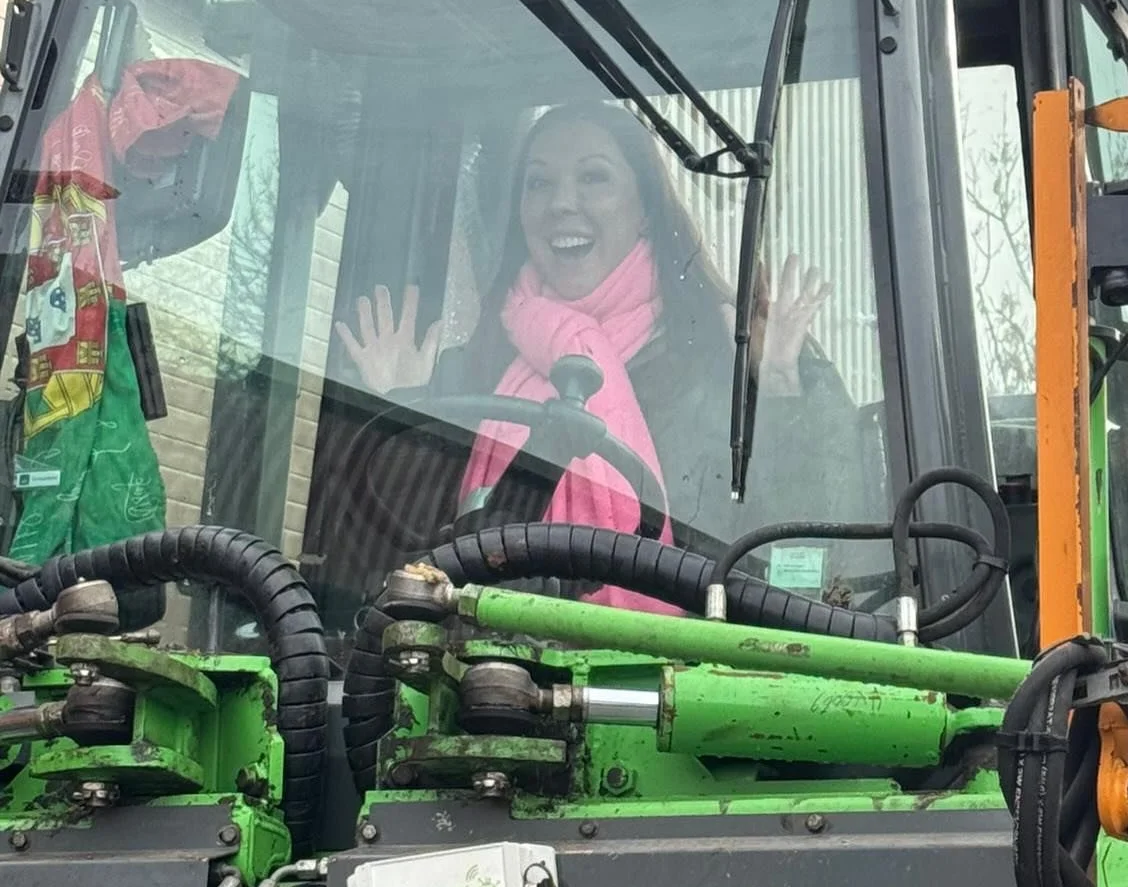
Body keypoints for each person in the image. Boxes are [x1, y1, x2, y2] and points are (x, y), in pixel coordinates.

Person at [333, 101, 871, 609]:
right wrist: (396, 406)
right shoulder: (475, 369)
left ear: (644, 211)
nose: (560, 203)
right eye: (538, 183)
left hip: (664, 692)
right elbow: (401, 572)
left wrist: (779, 387)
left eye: (593, 178)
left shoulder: (724, 357)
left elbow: (805, 569)